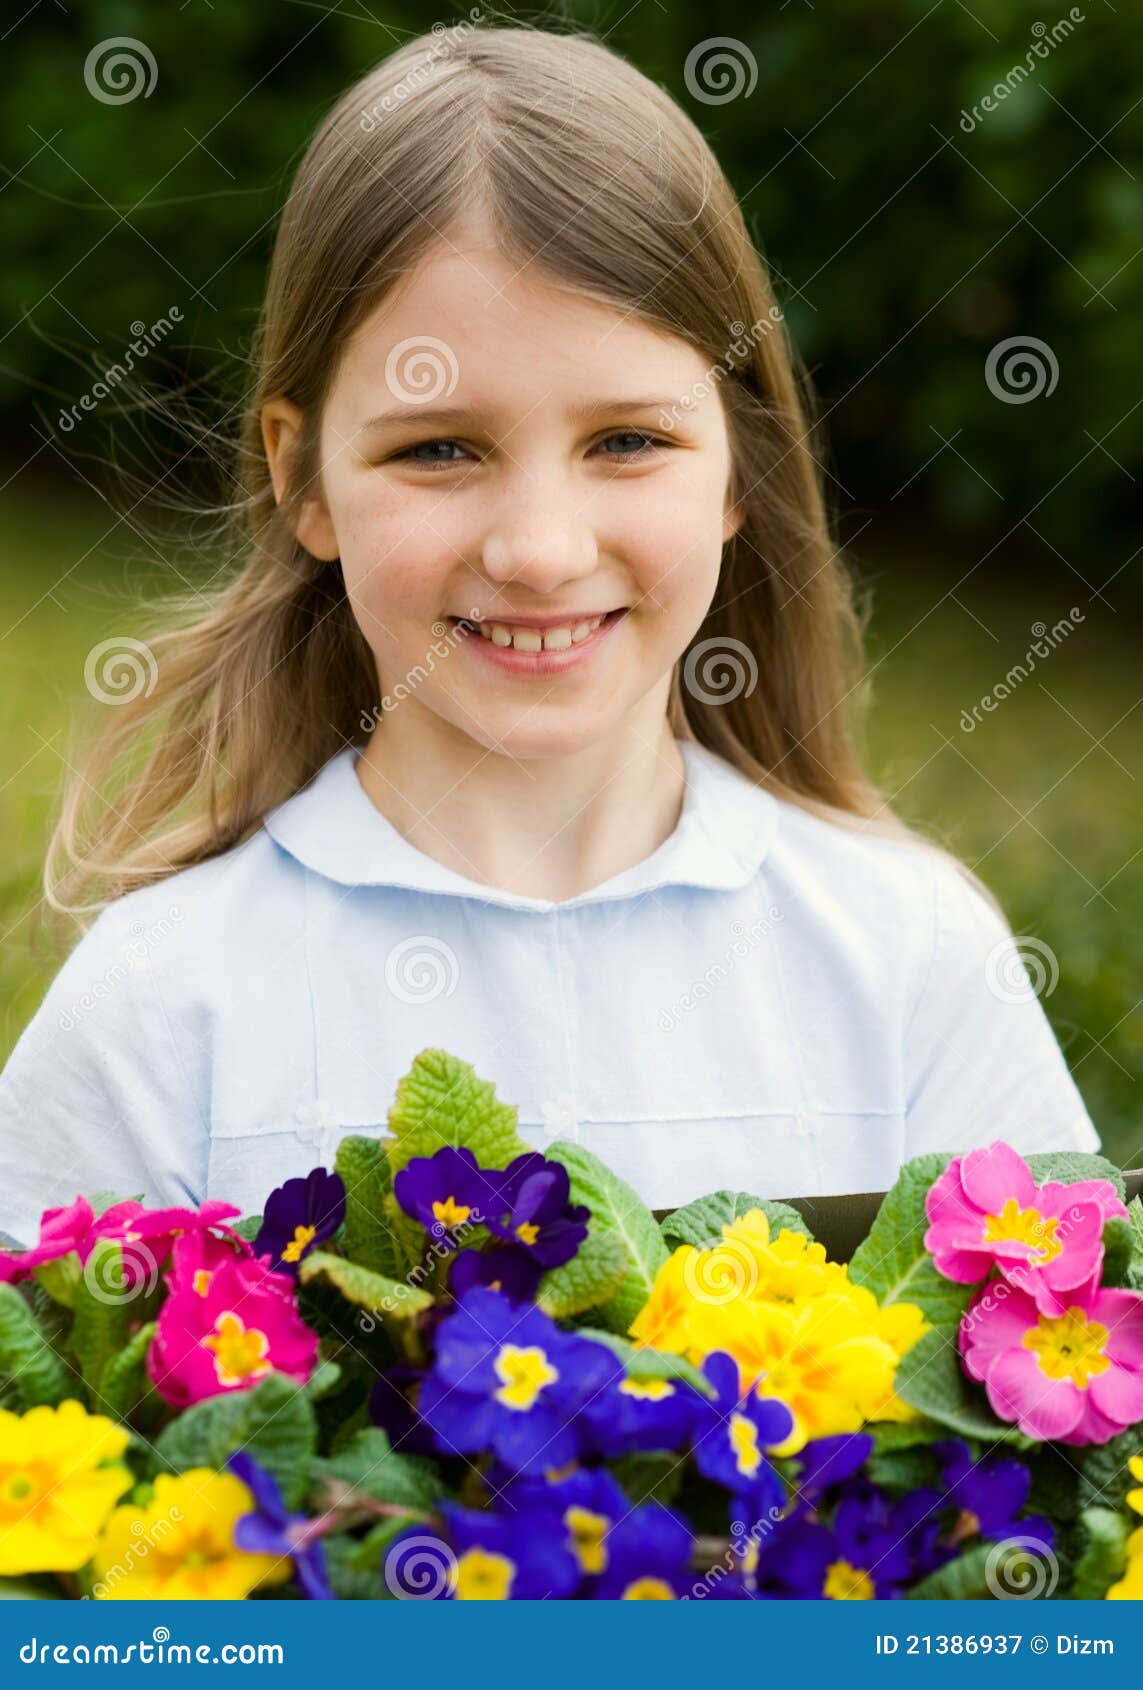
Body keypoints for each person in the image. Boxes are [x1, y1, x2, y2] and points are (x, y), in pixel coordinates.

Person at [0, 25, 1097, 1245]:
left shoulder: (913, 961)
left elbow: (1062, 1380)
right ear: (302, 477)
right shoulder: (162, 1004)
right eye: (439, 448)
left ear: (737, 470)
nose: (540, 549)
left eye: (627, 440)